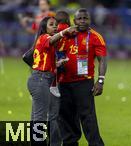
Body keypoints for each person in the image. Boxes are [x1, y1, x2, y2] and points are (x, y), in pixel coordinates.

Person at [58, 8, 107, 146]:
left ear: (90, 20)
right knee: (66, 117)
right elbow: (58, 53)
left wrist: (101, 80)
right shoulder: (66, 35)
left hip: (84, 83)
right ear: (74, 21)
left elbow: (102, 59)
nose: (82, 21)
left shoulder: (96, 37)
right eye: (79, 19)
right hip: (64, 82)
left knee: (88, 117)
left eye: (85, 18)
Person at [27, 16, 77, 146]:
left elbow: (45, 63)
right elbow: (53, 39)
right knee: (40, 119)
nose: (55, 27)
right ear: (44, 28)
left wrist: (57, 64)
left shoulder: (45, 41)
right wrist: (63, 32)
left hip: (39, 79)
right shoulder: (45, 37)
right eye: (51, 24)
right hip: (40, 80)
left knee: (36, 117)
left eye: (56, 25)